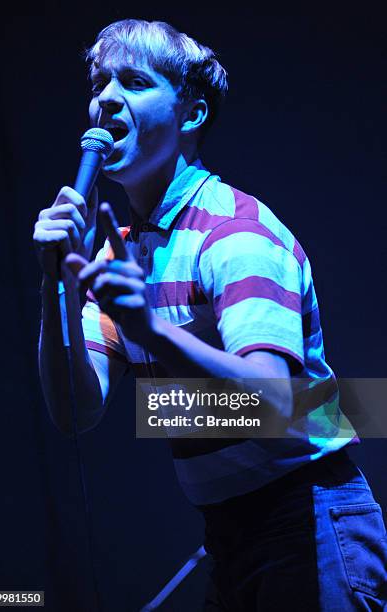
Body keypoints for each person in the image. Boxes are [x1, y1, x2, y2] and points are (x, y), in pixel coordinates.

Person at [33, 19, 387, 611]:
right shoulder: (118, 249)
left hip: (310, 520)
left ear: (191, 116)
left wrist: (150, 332)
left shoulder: (232, 232)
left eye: (134, 81)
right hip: (229, 533)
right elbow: (75, 412)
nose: (105, 99)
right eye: (98, 83)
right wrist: (55, 285)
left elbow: (274, 401)